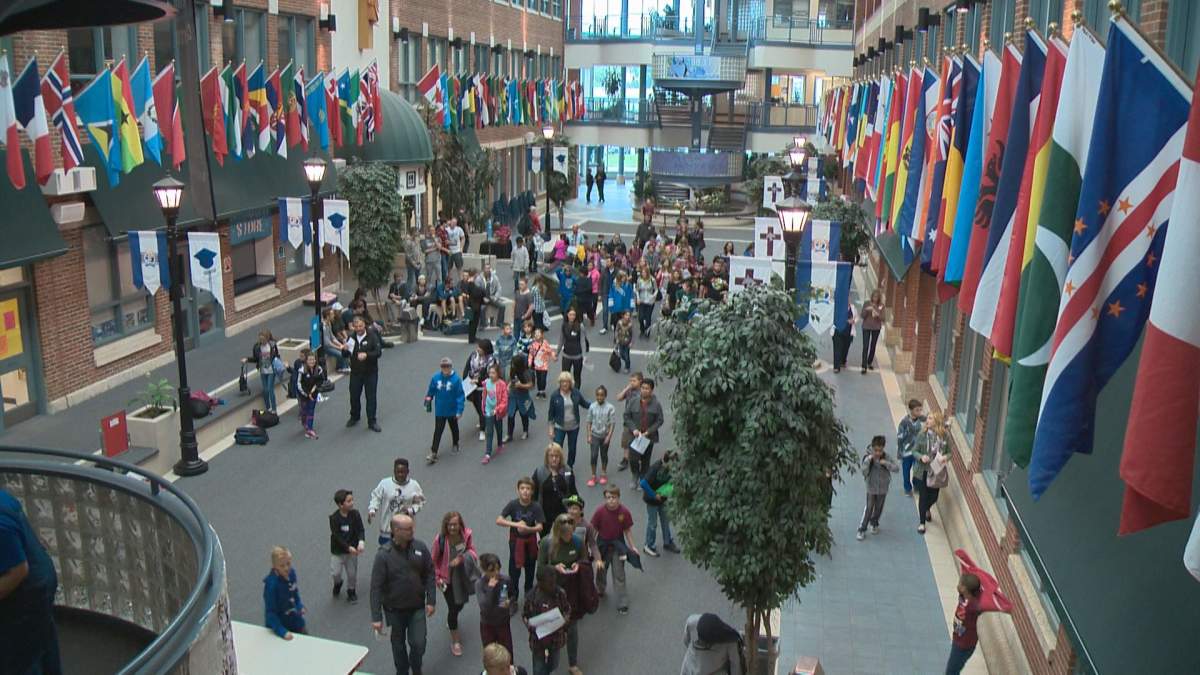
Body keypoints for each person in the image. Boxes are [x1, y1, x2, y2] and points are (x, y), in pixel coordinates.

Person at [0, 488, 61, 674]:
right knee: (43, 642)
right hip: (39, 575)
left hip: (27, 594)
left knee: (20, 657)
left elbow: (18, 571)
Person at [370, 515, 437, 675]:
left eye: (412, 527)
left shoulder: (420, 547)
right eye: (408, 529)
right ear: (395, 531)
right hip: (394, 611)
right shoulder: (383, 555)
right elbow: (376, 587)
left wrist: (431, 600)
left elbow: (430, 573)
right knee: (398, 645)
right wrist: (376, 617)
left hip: (416, 607)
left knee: (419, 643)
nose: (412, 531)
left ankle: (416, 667)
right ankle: (402, 671)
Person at [536, 514, 588, 675]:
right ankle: (546, 656)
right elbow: (540, 570)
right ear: (558, 532)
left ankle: (573, 664)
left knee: (572, 628)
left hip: (570, 589)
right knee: (549, 626)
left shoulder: (577, 541)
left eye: (570, 533)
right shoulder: (547, 543)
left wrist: (577, 565)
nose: (568, 537)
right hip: (550, 590)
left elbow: (584, 559)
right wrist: (554, 568)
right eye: (565, 535)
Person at [432, 512, 479, 658]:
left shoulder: (465, 535)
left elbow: (472, 551)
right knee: (453, 608)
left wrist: (462, 559)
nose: (453, 527)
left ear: (460, 525)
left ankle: (453, 618)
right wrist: (437, 578)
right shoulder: (440, 540)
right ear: (446, 525)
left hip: (460, 576)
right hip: (446, 580)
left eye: (455, 524)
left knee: (460, 603)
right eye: (450, 524)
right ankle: (455, 641)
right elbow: (432, 561)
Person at [496, 477, 546, 605]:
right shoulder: (513, 504)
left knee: (530, 573)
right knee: (514, 573)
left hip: (530, 543)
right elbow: (499, 520)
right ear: (518, 490)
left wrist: (528, 529)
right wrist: (516, 524)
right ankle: (513, 599)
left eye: (528, 489)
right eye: (522, 488)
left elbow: (540, 526)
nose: (525, 491)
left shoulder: (536, 506)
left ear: (532, 491)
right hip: (515, 543)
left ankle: (529, 600)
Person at [590, 486, 637, 615]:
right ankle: (600, 588)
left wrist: (633, 546)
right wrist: (590, 545)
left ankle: (622, 602)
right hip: (602, 545)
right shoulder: (600, 512)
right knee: (601, 570)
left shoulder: (624, 512)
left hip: (618, 546)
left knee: (619, 574)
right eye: (608, 498)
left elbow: (627, 530)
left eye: (614, 497)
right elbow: (593, 530)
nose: (611, 500)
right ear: (605, 499)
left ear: (618, 498)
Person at [523, 565, 572, 675]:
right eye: (549, 583)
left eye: (554, 582)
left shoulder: (560, 593)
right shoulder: (532, 597)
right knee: (538, 668)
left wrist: (565, 619)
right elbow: (525, 615)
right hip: (538, 640)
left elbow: (567, 609)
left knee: (554, 663)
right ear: (540, 583)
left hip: (556, 638)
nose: (552, 586)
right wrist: (530, 625)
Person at [368, 458, 426, 545]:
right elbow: (376, 496)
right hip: (387, 529)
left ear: (408, 472)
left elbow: (420, 502)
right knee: (386, 555)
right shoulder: (385, 484)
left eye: (403, 472)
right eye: (397, 472)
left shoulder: (414, 485)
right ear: (394, 471)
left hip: (405, 530)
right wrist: (372, 509)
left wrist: (411, 510)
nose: (400, 474)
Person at [912, 411, 951, 534]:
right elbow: (914, 451)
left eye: (930, 418)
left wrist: (945, 458)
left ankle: (927, 508)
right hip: (923, 470)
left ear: (937, 422)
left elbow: (950, 452)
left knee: (934, 496)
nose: (927, 421)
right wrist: (921, 457)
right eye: (927, 418)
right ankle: (922, 523)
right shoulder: (922, 435)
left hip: (936, 469)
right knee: (923, 497)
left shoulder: (944, 437)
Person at [342, 316, 383, 432]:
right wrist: (344, 349)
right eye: (356, 327)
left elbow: (378, 352)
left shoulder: (372, 336)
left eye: (361, 326)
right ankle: (354, 416)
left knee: (371, 397)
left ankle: (372, 421)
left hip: (370, 373)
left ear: (364, 325)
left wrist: (367, 355)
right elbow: (345, 354)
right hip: (356, 373)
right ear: (353, 327)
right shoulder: (351, 338)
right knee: (354, 395)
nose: (359, 328)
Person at [623, 378, 664, 485]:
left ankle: (642, 478)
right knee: (633, 459)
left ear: (651, 390)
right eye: (643, 388)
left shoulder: (656, 404)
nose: (644, 390)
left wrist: (649, 431)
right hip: (635, 436)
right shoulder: (633, 401)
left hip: (648, 437)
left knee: (645, 460)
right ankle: (635, 474)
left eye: (647, 388)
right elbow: (626, 416)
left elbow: (660, 420)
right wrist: (634, 429)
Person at [857, 436, 899, 541]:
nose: (878, 453)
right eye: (876, 450)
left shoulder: (886, 457)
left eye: (880, 450)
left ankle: (874, 523)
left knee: (879, 507)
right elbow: (863, 471)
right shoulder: (868, 458)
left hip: (883, 487)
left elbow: (896, 468)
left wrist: (886, 463)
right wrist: (868, 461)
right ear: (872, 448)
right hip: (871, 487)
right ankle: (862, 528)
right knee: (869, 507)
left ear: (883, 448)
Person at [640, 450, 680, 556]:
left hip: (663, 498)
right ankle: (649, 545)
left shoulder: (671, 469)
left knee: (666, 520)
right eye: (672, 465)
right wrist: (654, 495)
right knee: (652, 523)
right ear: (667, 462)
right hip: (652, 500)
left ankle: (668, 541)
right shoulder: (656, 467)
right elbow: (643, 483)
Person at [425, 357, 466, 463]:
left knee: (454, 428)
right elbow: (431, 390)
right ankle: (434, 451)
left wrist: (459, 410)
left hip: (452, 410)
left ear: (451, 367)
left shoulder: (456, 380)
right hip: (440, 410)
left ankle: (456, 442)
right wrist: (429, 397)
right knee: (438, 431)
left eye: (447, 366)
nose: (445, 369)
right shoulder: (436, 378)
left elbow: (460, 396)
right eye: (443, 367)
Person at [330, 489, 367, 603]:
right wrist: (347, 547)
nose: (352, 503)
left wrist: (361, 542)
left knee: (352, 574)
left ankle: (351, 591)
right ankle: (338, 582)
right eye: (348, 501)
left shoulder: (355, 514)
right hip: (338, 551)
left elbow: (360, 529)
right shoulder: (334, 518)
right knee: (335, 572)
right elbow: (337, 537)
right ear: (341, 505)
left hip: (352, 552)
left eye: (352, 500)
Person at [548, 372, 591, 468]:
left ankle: (569, 466)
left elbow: (585, 404)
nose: (564, 384)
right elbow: (551, 414)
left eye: (566, 382)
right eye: (562, 382)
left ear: (570, 383)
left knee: (572, 449)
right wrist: (551, 429)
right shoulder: (555, 395)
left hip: (573, 427)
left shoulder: (576, 393)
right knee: (557, 449)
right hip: (559, 426)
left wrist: (596, 405)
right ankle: (559, 466)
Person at [679, 613, 746, 675]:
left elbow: (735, 667)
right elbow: (686, 640)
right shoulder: (693, 622)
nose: (701, 643)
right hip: (690, 666)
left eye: (705, 643)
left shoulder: (731, 642)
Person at [476, 553, 516, 657]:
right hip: (487, 624)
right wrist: (490, 588)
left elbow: (512, 595)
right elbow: (484, 607)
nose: (496, 573)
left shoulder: (505, 580)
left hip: (503, 622)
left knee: (507, 652)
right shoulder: (480, 584)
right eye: (492, 570)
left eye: (498, 569)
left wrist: (510, 602)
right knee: (490, 655)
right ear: (485, 571)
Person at [532, 443, 579, 528]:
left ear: (560, 457)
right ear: (547, 457)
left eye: (557, 456)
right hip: (545, 516)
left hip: (563, 514)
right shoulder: (539, 472)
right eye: (551, 456)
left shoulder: (567, 471)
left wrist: (576, 509)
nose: (554, 459)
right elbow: (534, 495)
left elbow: (573, 492)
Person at [263, 546, 306, 639]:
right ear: (275, 566)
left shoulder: (292, 573)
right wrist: (282, 632)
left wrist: (299, 606)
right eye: (282, 566)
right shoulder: (271, 585)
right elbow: (271, 613)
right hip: (280, 627)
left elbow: (295, 594)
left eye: (288, 564)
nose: (286, 568)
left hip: (296, 622)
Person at [946, 573, 984, 674]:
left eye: (960, 583)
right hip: (958, 638)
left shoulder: (973, 606)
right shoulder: (963, 595)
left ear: (964, 589)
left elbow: (982, 607)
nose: (958, 585)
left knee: (951, 671)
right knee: (953, 669)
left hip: (963, 645)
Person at [464, 339, 499, 441]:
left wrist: (478, 381)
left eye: (480, 348)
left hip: (483, 387)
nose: (478, 349)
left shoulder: (491, 360)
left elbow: (489, 374)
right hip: (471, 385)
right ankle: (483, 419)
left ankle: (483, 430)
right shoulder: (473, 355)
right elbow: (467, 368)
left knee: (482, 408)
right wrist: (466, 378)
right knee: (476, 405)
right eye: (478, 347)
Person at [243, 330, 281, 413]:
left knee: (270, 389)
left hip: (271, 370)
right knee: (265, 389)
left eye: (263, 339)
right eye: (260, 339)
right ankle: (268, 408)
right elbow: (256, 359)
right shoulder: (257, 347)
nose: (262, 341)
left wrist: (278, 364)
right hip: (263, 370)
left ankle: (274, 409)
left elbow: (277, 356)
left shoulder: (272, 346)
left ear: (267, 339)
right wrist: (247, 359)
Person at [586, 385, 616, 487]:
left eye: (602, 395)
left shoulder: (610, 408)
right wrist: (589, 435)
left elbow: (612, 423)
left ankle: (603, 473)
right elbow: (588, 421)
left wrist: (609, 437)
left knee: (604, 454)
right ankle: (593, 475)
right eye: (598, 395)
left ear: (605, 396)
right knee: (593, 455)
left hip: (604, 435)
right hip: (594, 435)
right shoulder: (592, 406)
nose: (599, 397)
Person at [614, 371, 643, 473]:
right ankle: (626, 459)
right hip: (628, 420)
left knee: (638, 440)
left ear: (640, 381)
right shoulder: (629, 391)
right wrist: (627, 388)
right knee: (626, 441)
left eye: (634, 381)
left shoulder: (642, 392)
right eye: (630, 380)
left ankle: (638, 459)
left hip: (639, 421)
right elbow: (618, 398)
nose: (631, 383)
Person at [897, 399, 926, 497]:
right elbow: (899, 437)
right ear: (911, 410)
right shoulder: (904, 422)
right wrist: (900, 452)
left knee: (917, 470)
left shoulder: (922, 419)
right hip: (906, 452)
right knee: (906, 471)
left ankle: (916, 485)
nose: (919, 412)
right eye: (917, 410)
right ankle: (907, 488)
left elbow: (933, 421)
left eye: (920, 410)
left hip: (917, 451)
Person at [482, 364, 510, 463]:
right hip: (488, 410)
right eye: (490, 372)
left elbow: (504, 400)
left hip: (498, 412)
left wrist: (498, 409)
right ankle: (488, 454)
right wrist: (484, 407)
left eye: (493, 373)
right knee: (489, 432)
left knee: (499, 428)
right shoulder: (486, 383)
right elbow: (484, 394)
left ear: (498, 374)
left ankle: (499, 444)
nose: (491, 375)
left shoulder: (502, 384)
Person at [507, 354, 536, 442]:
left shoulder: (527, 373)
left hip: (523, 396)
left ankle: (525, 431)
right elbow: (511, 380)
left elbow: (531, 385)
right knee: (510, 415)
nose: (512, 365)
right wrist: (508, 386)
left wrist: (521, 385)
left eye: (514, 364)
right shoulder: (513, 370)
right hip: (513, 396)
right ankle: (509, 434)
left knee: (524, 414)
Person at [558, 307, 589, 390]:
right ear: (567, 315)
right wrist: (556, 353)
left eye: (574, 315)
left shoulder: (580, 326)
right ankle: (565, 391)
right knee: (565, 376)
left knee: (577, 376)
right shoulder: (564, 325)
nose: (572, 316)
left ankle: (576, 392)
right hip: (566, 355)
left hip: (577, 356)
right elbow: (561, 340)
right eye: (570, 314)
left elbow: (583, 341)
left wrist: (584, 355)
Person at [296, 351, 325, 440]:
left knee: (311, 411)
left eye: (313, 359)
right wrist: (307, 394)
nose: (312, 361)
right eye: (310, 360)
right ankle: (304, 420)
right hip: (303, 395)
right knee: (304, 410)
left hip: (314, 394)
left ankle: (309, 429)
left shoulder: (319, 369)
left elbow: (320, 380)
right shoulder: (302, 370)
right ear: (306, 361)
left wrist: (315, 388)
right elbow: (299, 384)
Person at [860, 289, 885, 372]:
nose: (875, 299)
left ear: (879, 298)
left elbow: (883, 318)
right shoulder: (867, 303)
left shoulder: (881, 306)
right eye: (874, 297)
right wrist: (867, 310)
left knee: (873, 346)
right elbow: (862, 316)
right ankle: (864, 366)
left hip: (876, 328)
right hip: (866, 327)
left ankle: (869, 362)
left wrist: (877, 313)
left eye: (877, 297)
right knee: (865, 345)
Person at [528, 328, 556, 399]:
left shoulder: (545, 342)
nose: (537, 335)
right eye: (535, 333)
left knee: (543, 378)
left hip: (544, 365)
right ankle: (539, 390)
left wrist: (553, 356)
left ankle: (542, 391)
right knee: (539, 379)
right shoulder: (533, 344)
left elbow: (550, 350)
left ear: (542, 334)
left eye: (538, 333)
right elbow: (531, 354)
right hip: (537, 365)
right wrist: (529, 362)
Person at [322, 308, 351, 373]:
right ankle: (340, 367)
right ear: (327, 316)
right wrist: (339, 347)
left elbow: (332, 337)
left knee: (345, 349)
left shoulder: (329, 324)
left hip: (330, 344)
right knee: (340, 353)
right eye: (332, 314)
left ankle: (346, 365)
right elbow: (327, 343)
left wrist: (341, 345)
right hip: (325, 347)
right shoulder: (322, 326)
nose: (333, 316)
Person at [477, 264, 506, 328]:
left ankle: (499, 322)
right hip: (483, 297)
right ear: (483, 269)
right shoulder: (479, 279)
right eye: (486, 268)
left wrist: (496, 297)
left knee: (502, 306)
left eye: (488, 268)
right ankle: (482, 324)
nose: (487, 270)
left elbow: (499, 288)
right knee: (481, 308)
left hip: (492, 296)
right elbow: (477, 290)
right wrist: (482, 297)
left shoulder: (494, 277)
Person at [831, 305, 856, 373]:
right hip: (838, 331)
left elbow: (856, 317)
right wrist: (846, 321)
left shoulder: (852, 307)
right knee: (837, 349)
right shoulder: (838, 307)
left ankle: (843, 361)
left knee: (845, 348)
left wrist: (854, 320)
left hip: (848, 332)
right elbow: (834, 318)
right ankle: (836, 367)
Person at [635, 265, 658, 338]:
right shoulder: (639, 280)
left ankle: (647, 331)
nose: (643, 274)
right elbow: (637, 289)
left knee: (648, 318)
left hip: (650, 301)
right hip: (641, 300)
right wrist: (638, 298)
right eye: (642, 272)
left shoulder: (652, 280)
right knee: (640, 317)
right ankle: (642, 329)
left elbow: (656, 289)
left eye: (644, 273)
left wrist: (653, 296)